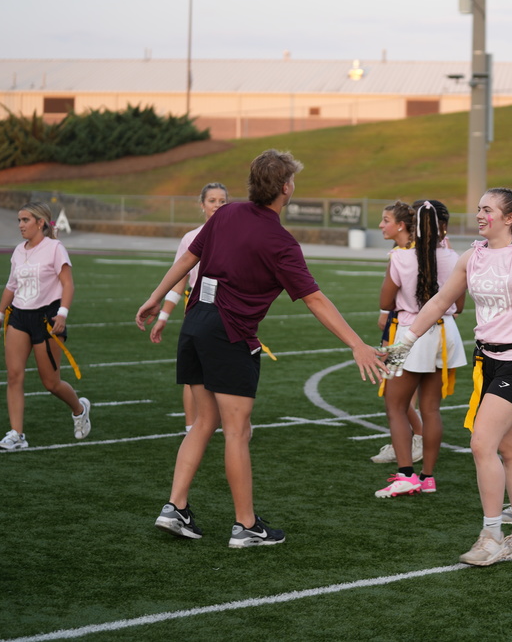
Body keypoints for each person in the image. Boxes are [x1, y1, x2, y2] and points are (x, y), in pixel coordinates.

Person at [135, 149, 388, 548]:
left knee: (204, 421)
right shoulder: (280, 241)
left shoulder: (226, 214)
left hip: (195, 323)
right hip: (229, 334)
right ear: (286, 188)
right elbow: (315, 299)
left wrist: (155, 296)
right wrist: (357, 344)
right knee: (237, 431)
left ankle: (175, 507)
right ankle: (245, 525)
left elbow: (188, 258)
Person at [384, 187, 512, 566]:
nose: (480, 215)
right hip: (487, 363)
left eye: (488, 210)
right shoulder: (473, 256)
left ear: (510, 218)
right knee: (510, 451)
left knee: (481, 444)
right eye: (479, 209)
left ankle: (491, 536)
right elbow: (440, 301)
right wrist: (404, 342)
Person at [374, 200, 466, 498]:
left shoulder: (401, 257)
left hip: (410, 333)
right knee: (431, 409)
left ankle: (405, 475)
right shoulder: (453, 256)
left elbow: (386, 302)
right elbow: (459, 306)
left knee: (395, 405)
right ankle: (427, 477)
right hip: (445, 332)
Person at [0, 202, 91, 450]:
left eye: (25, 220)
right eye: (19, 220)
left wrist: (62, 314)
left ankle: (79, 409)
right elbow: (11, 286)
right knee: (14, 375)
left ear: (40, 222)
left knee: (51, 383)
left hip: (47, 318)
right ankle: (17, 434)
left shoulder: (55, 248)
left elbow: (68, 284)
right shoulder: (18, 251)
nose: (20, 225)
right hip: (19, 317)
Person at [150, 182, 228, 432]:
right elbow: (179, 281)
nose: (217, 205)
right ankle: (191, 427)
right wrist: (163, 316)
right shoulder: (191, 238)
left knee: (226, 368)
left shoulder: (235, 235)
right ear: (202, 204)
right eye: (212, 200)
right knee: (194, 372)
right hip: (199, 309)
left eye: (222, 201)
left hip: (228, 310)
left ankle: (233, 423)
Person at [370, 204, 425, 465]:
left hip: (411, 328)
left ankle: (417, 438)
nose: (381, 225)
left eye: (386, 220)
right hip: (400, 324)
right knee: (393, 389)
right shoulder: (401, 251)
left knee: (397, 392)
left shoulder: (412, 254)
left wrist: (386, 311)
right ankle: (404, 439)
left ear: (401, 225)